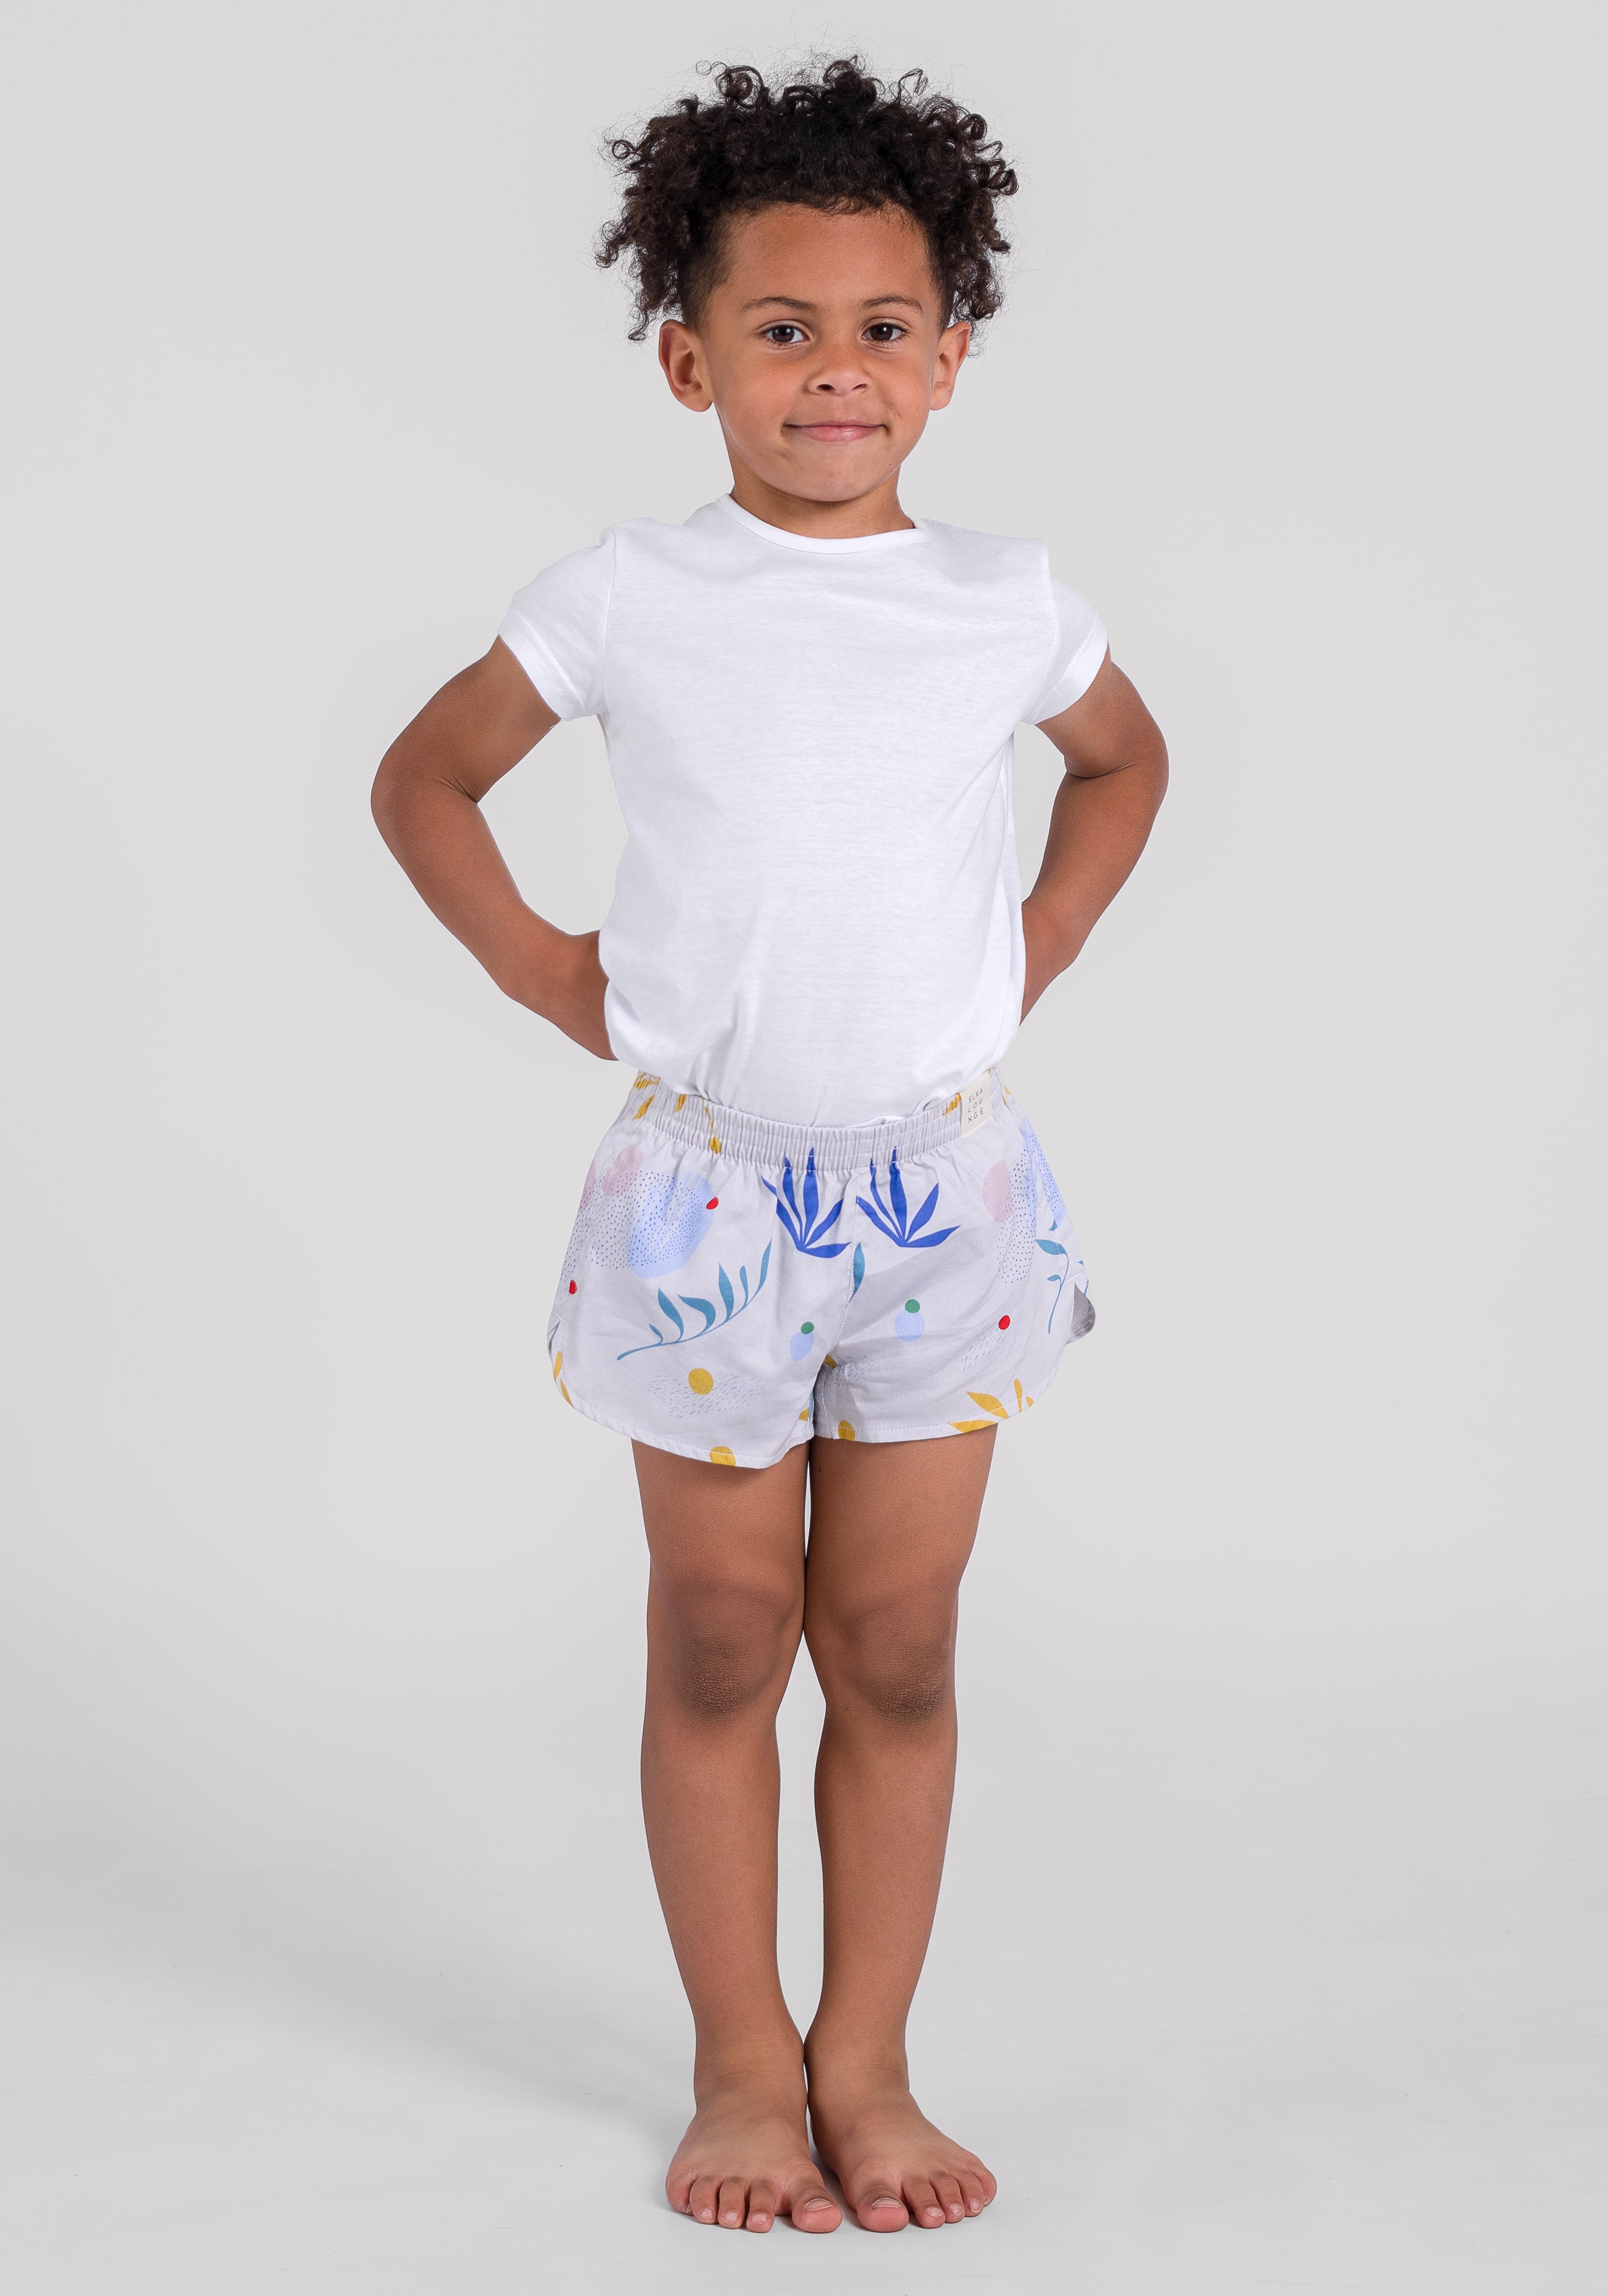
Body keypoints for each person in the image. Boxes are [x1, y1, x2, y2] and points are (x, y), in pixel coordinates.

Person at [371, 57, 1167, 2237]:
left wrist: (1040, 943)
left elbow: (1120, 761)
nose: (836, 370)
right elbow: (426, 778)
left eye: (882, 327)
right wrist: (549, 973)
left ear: (950, 357)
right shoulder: (629, 592)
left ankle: (867, 2061)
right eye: (783, 328)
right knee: (724, 1634)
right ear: (687, 358)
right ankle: (741, 2064)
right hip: (706, 1200)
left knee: (894, 1646)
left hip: (943, 1199)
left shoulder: (1003, 598)